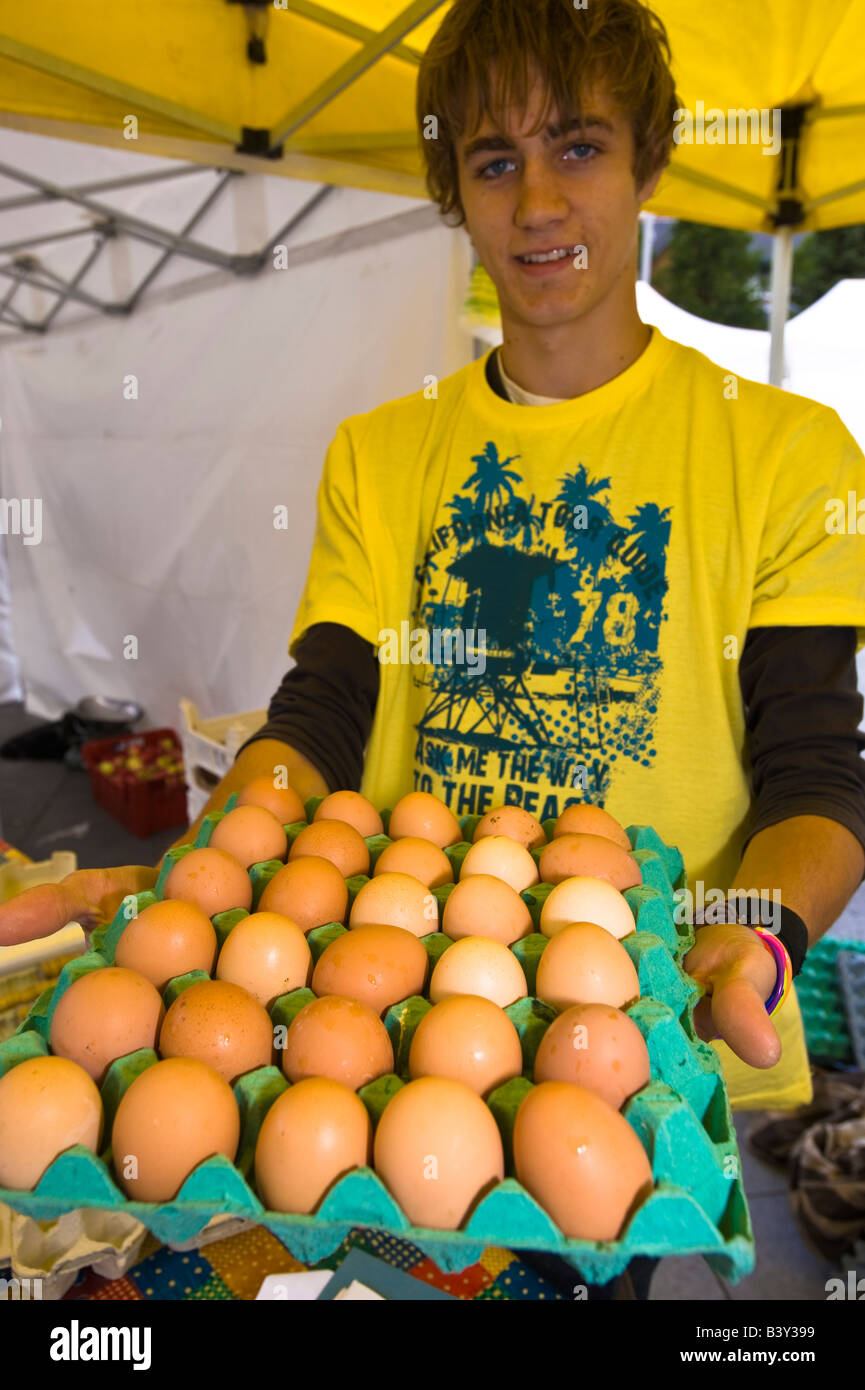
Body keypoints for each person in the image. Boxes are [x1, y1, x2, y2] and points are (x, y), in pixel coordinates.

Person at [1, 0, 864, 1299]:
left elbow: (816, 773)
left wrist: (757, 934)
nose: (536, 201)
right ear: (451, 186)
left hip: (623, 1024)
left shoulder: (787, 455)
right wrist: (223, 867)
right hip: (369, 1026)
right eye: (492, 158)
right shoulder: (381, 452)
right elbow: (324, 707)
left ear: (648, 160)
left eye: (576, 147)